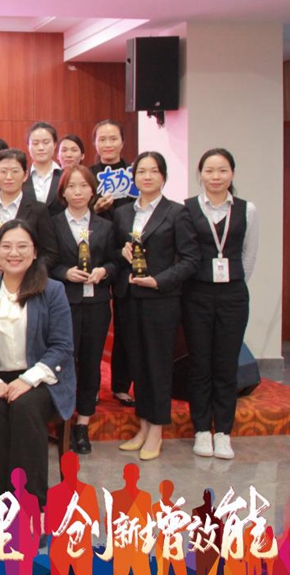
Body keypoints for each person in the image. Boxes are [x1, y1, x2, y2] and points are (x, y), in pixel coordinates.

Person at [0, 219, 75, 505]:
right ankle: (3, 502)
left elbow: (62, 346)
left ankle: (31, 503)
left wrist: (27, 380)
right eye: (6, 246)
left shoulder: (52, 290)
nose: (13, 253)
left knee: (25, 407)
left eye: (22, 246)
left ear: (35, 251)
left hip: (41, 378)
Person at [113, 151, 199, 460]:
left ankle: (157, 431)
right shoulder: (123, 213)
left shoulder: (177, 213)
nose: (146, 177)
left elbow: (190, 260)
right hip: (129, 298)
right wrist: (122, 253)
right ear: (134, 177)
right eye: (141, 172)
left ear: (163, 176)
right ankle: (143, 425)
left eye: (153, 171)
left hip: (160, 300)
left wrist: (159, 281)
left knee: (158, 366)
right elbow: (114, 251)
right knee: (138, 364)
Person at [184, 149, 257, 460]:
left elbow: (249, 255)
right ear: (200, 174)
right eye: (209, 170)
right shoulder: (188, 208)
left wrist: (233, 282)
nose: (216, 177)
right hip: (196, 294)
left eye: (222, 170)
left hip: (233, 295)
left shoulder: (247, 209)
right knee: (200, 363)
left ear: (232, 174)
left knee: (226, 365)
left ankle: (223, 432)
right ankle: (202, 430)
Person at [49, 165, 116, 454]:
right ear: (62, 192)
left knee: (91, 363)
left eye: (84, 186)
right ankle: (62, 419)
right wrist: (65, 273)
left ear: (92, 191)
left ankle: (83, 424)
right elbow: (46, 262)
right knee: (63, 362)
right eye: (71, 187)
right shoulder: (52, 224)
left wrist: (104, 271)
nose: (78, 192)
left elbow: (116, 262)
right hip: (64, 304)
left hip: (97, 304)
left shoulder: (106, 225)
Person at [86, 119, 135, 406]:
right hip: (97, 256)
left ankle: (121, 385)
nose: (107, 144)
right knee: (95, 325)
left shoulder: (134, 175)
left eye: (113, 138)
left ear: (122, 142)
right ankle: (90, 385)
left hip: (128, 255)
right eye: (102, 139)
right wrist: (95, 208)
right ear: (95, 143)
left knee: (127, 324)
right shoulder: (88, 175)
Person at [0, 149, 59, 272]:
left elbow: (51, 254)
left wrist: (24, 267)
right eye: (3, 171)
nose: (9, 177)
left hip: (27, 279)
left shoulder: (39, 210)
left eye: (15, 171)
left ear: (25, 175)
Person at [23, 122, 64, 216]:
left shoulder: (65, 176)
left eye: (46, 142)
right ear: (28, 146)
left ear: (55, 144)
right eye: (35, 143)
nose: (41, 148)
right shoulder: (22, 177)